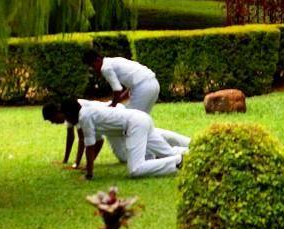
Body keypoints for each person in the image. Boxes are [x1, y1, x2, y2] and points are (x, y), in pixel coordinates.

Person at [43, 97, 183, 180]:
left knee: (135, 170)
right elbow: (96, 142)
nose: (66, 121)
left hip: (134, 124)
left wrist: (89, 174)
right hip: (139, 119)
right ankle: (185, 155)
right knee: (168, 153)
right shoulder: (87, 115)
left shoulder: (85, 117)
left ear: (68, 113)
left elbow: (89, 147)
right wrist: (86, 168)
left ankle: (177, 161)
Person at [83, 50, 160, 113]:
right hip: (154, 84)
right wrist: (118, 100)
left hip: (143, 88)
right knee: (143, 119)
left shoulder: (105, 68)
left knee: (130, 119)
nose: (94, 69)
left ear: (98, 60)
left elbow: (117, 89)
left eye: (93, 66)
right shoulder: (113, 61)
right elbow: (131, 86)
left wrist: (112, 105)